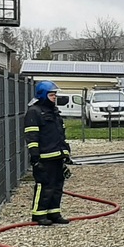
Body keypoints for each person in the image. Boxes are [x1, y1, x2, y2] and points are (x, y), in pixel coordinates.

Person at [24, 81, 73, 225]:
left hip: (57, 156)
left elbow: (60, 134)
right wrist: (35, 157)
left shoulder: (54, 112)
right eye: (51, 95)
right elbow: (32, 136)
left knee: (57, 185)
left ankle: (54, 213)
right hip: (44, 157)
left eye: (55, 95)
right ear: (43, 95)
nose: (54, 97)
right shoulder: (34, 112)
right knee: (44, 185)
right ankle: (39, 214)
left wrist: (66, 153)